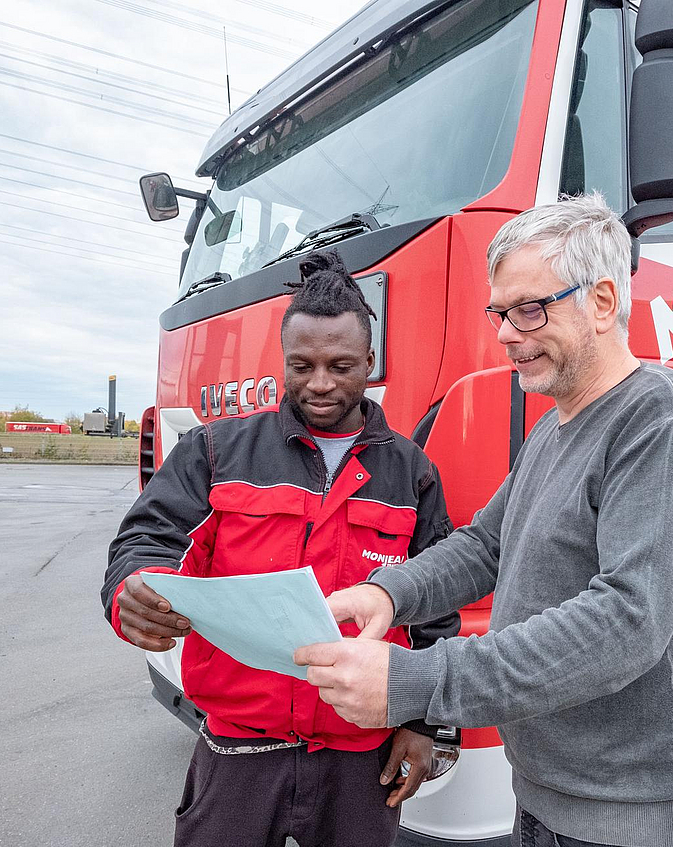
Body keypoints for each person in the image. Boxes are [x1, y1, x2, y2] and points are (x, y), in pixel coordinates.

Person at [296, 195, 673, 847]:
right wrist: (389, 592)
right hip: (548, 793)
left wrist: (417, 680)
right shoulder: (554, 430)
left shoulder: (663, 420)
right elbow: (483, 545)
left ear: (601, 301)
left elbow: (627, 621)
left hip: (637, 815)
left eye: (530, 308)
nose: (505, 332)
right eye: (499, 312)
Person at [101, 249, 460, 847]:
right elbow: (146, 537)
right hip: (239, 745)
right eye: (303, 365)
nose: (320, 384)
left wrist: (425, 726)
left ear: (369, 363)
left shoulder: (412, 471)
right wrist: (130, 588)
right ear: (283, 362)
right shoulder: (215, 451)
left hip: (360, 748)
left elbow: (434, 607)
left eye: (340, 366)